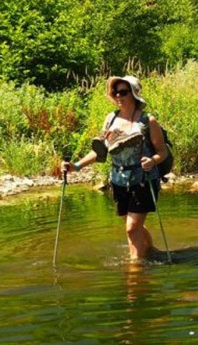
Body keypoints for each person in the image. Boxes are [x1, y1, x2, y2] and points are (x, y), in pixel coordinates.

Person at [62, 75, 169, 261]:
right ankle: (151, 251)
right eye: (116, 92)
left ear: (134, 94)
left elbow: (162, 152)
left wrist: (152, 161)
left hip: (143, 180)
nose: (118, 95)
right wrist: (76, 166)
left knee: (131, 228)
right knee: (133, 226)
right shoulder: (110, 119)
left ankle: (135, 268)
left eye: (123, 92)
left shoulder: (148, 121)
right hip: (118, 180)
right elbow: (100, 152)